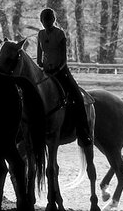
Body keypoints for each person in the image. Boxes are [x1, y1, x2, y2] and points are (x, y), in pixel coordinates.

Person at [37, 8, 92, 147]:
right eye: (44, 21)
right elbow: (39, 57)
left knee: (77, 97)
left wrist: (56, 69)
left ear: (53, 20)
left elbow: (63, 59)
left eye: (49, 20)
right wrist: (42, 67)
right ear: (41, 21)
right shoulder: (40, 34)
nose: (46, 23)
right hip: (46, 71)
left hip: (61, 71)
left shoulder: (60, 34)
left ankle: (83, 132)